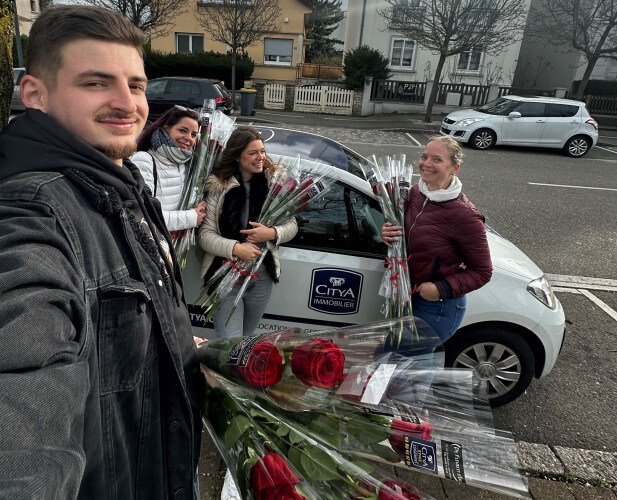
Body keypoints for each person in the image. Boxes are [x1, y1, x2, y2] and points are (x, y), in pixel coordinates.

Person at [0, 5, 204, 499]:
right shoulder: (32, 212)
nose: (126, 103)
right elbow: (24, 392)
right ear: (36, 95)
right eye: (95, 83)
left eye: (136, 85)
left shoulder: (119, 185)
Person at [381, 135, 492, 342]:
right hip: (406, 295)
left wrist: (440, 288)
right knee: (401, 363)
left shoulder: (465, 215)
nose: (426, 164)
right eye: (424, 157)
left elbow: (482, 272)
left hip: (437, 305)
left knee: (398, 360)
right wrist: (387, 232)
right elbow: (403, 235)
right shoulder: (415, 193)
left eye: (437, 159)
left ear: (454, 169)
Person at [198, 126, 298, 338]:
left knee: (244, 346)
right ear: (236, 156)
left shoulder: (274, 183)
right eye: (253, 153)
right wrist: (235, 248)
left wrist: (271, 233)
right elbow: (205, 236)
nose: (260, 157)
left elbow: (292, 225)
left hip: (262, 278)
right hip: (224, 275)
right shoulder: (219, 185)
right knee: (230, 347)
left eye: (262, 151)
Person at [132, 106, 207, 232]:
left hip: (172, 243)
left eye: (193, 134)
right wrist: (191, 217)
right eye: (183, 130)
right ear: (166, 128)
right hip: (152, 243)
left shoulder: (185, 163)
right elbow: (142, 214)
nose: (189, 138)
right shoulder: (144, 160)